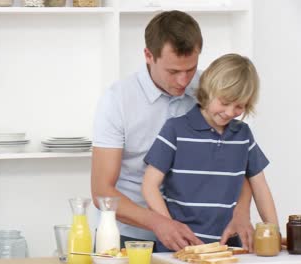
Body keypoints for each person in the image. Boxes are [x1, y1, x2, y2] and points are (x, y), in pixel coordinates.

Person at [91, 10, 255, 252]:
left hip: (201, 239)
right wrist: (160, 222)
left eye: (190, 69)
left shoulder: (210, 91)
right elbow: (102, 191)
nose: (183, 81)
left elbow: (238, 160)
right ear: (148, 55)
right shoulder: (118, 101)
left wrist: (242, 212)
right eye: (173, 71)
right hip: (131, 237)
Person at [141, 53, 279, 252]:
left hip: (227, 249)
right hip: (178, 249)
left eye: (239, 106)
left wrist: (274, 233)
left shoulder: (243, 135)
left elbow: (260, 186)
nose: (230, 112)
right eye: (224, 102)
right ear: (208, 90)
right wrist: (170, 227)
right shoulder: (175, 130)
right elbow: (149, 186)